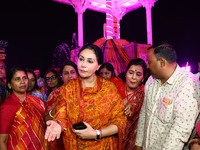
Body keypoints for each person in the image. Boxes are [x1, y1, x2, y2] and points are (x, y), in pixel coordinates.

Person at [45, 44, 127, 149]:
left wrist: (97, 134)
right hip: (74, 145)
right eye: (81, 59)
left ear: (98, 66)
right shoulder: (67, 89)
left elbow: (120, 122)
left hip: (103, 146)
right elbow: (62, 115)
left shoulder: (109, 89)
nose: (83, 65)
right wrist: (58, 125)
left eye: (90, 61)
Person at [133, 44, 200, 150]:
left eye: (150, 62)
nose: (148, 66)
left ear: (162, 62)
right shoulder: (151, 80)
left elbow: (180, 130)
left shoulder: (187, 84)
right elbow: (144, 113)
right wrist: (138, 144)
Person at [0, 67, 47, 149]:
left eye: (24, 78)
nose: (22, 82)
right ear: (9, 85)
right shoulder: (7, 107)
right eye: (17, 79)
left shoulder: (37, 101)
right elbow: (2, 141)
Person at [110, 58, 147, 150]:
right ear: (126, 74)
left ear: (143, 78)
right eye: (130, 73)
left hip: (130, 140)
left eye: (138, 74)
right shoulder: (114, 85)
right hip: (109, 136)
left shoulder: (143, 94)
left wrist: (133, 104)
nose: (133, 77)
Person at [45, 60, 78, 149]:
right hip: (61, 137)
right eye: (66, 73)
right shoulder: (55, 94)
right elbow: (47, 119)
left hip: (80, 136)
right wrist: (59, 108)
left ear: (77, 74)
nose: (70, 76)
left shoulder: (84, 92)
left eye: (72, 72)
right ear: (62, 76)